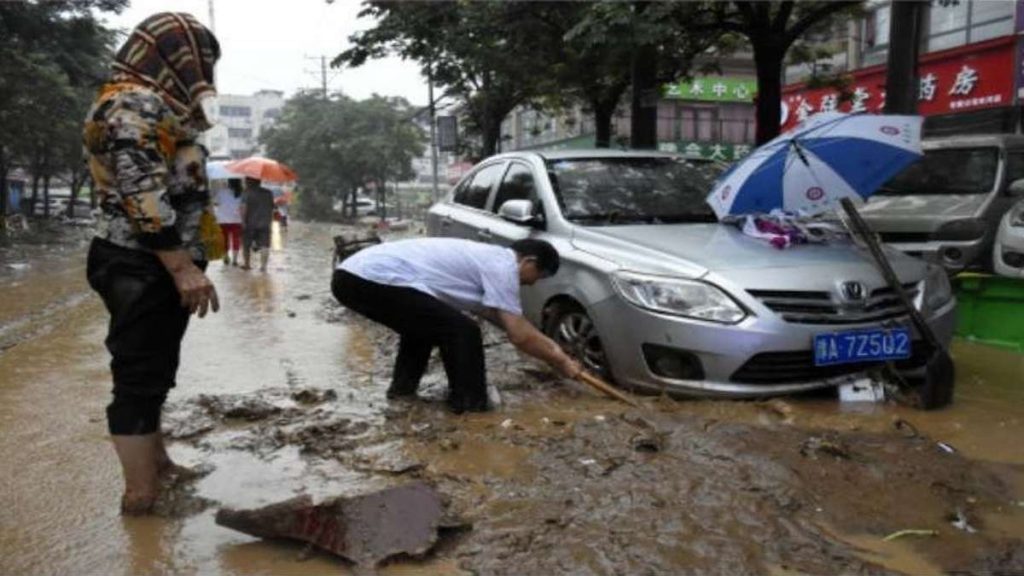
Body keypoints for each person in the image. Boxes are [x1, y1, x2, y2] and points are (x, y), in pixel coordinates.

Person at [82, 12, 221, 514]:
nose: (204, 70)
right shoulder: (132, 104)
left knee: (157, 367)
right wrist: (182, 268)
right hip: (142, 263)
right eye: (199, 59)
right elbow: (142, 192)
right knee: (139, 377)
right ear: (172, 55)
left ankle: (158, 465)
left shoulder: (157, 105)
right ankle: (139, 498)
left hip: (152, 262)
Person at [332, 237, 583, 413]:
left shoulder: (487, 260)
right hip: (370, 277)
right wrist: (560, 360)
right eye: (540, 275)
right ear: (528, 262)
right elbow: (519, 336)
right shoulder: (503, 266)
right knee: (463, 331)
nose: (534, 283)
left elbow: (509, 324)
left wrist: (552, 352)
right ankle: (470, 406)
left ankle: (402, 393)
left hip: (349, 278)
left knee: (422, 330)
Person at [240, 177, 275, 271]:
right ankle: (263, 267)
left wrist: (243, 221)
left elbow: (244, 208)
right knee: (265, 245)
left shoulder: (246, 192)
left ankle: (247, 264)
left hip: (250, 223)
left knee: (246, 245)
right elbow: (272, 207)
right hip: (265, 223)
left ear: (249, 182)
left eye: (246, 180)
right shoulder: (268, 193)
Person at [214, 179, 243, 265]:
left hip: (222, 220)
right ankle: (235, 260)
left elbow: (216, 203)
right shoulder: (241, 193)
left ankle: (226, 257)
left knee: (224, 239)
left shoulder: (221, 191)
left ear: (228, 183)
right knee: (236, 240)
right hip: (237, 220)